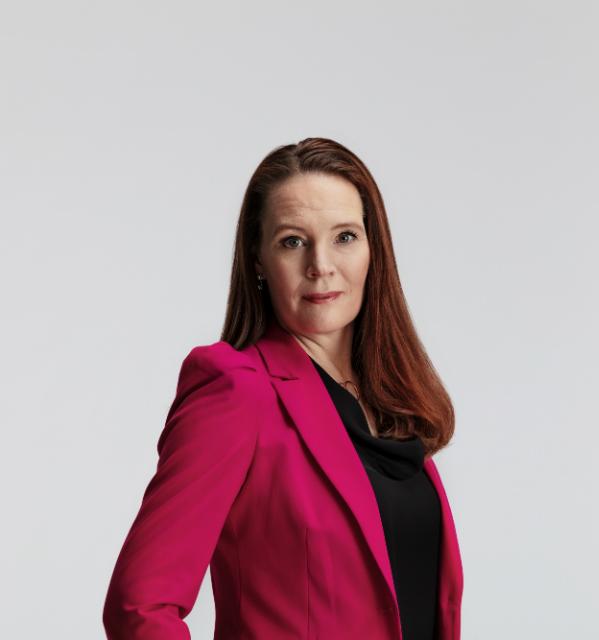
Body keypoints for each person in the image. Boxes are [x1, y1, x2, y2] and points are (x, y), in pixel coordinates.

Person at [102, 137, 464, 640]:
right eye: (293, 241)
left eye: (344, 237)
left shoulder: (390, 403)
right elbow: (139, 606)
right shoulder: (235, 390)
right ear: (258, 258)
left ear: (373, 249)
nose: (321, 265)